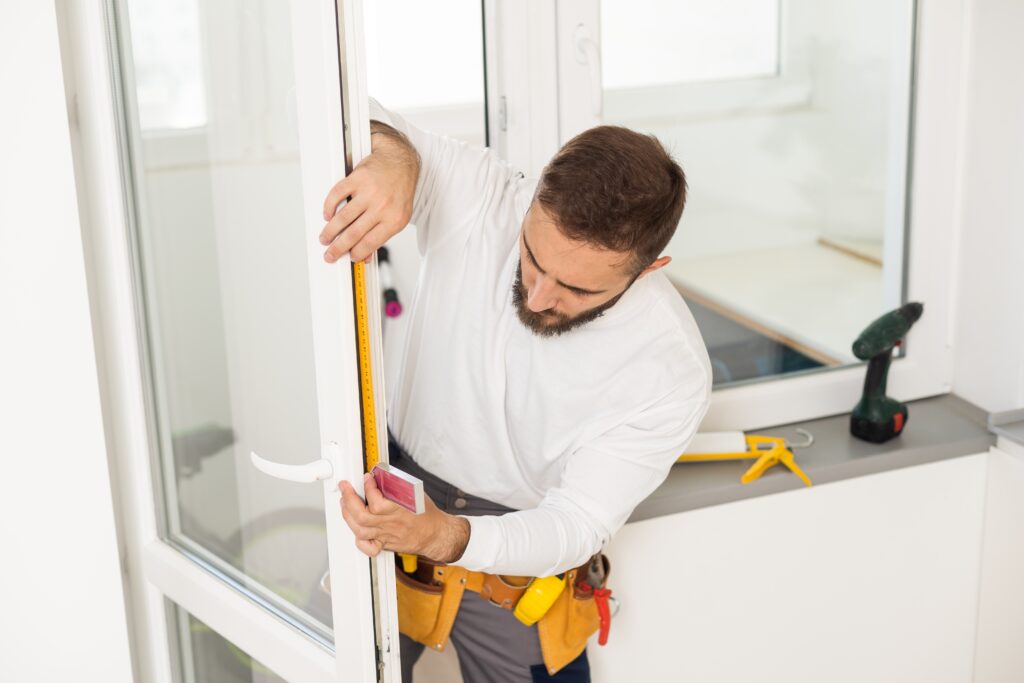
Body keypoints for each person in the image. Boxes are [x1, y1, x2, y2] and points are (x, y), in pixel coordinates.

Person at [322, 101, 711, 683]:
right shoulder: (486, 197)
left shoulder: (669, 371)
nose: (537, 297)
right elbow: (347, 98)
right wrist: (395, 155)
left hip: (516, 553)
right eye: (532, 258)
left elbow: (576, 524)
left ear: (649, 269)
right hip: (392, 492)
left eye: (576, 288)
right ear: (532, 201)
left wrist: (449, 536)